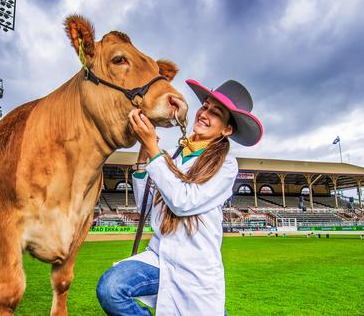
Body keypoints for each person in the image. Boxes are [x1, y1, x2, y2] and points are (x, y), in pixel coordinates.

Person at [96, 79, 263, 316]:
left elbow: (184, 202)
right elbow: (150, 208)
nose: (204, 113)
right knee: (112, 288)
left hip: (196, 268)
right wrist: (144, 161)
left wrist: (154, 150)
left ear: (227, 129)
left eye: (216, 113)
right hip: (160, 257)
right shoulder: (174, 156)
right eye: (205, 106)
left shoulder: (226, 164)